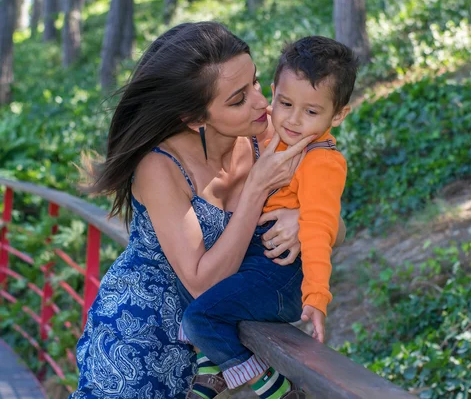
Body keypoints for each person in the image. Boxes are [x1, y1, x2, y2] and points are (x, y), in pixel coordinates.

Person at [70, 22, 333, 398]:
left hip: (206, 348)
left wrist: (303, 218)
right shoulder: (159, 167)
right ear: (195, 119)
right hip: (136, 341)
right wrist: (257, 187)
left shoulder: (271, 137)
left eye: (256, 82)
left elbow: (331, 217)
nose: (263, 103)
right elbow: (203, 281)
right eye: (238, 99)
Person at [180, 36, 357, 399]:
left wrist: (317, 297)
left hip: (282, 276)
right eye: (286, 103)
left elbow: (321, 229)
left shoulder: (321, 161)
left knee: (199, 317)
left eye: (311, 111)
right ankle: (213, 365)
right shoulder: (280, 138)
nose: (293, 119)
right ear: (274, 93)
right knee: (195, 292)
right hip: (257, 263)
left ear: (338, 115)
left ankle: (274, 390)